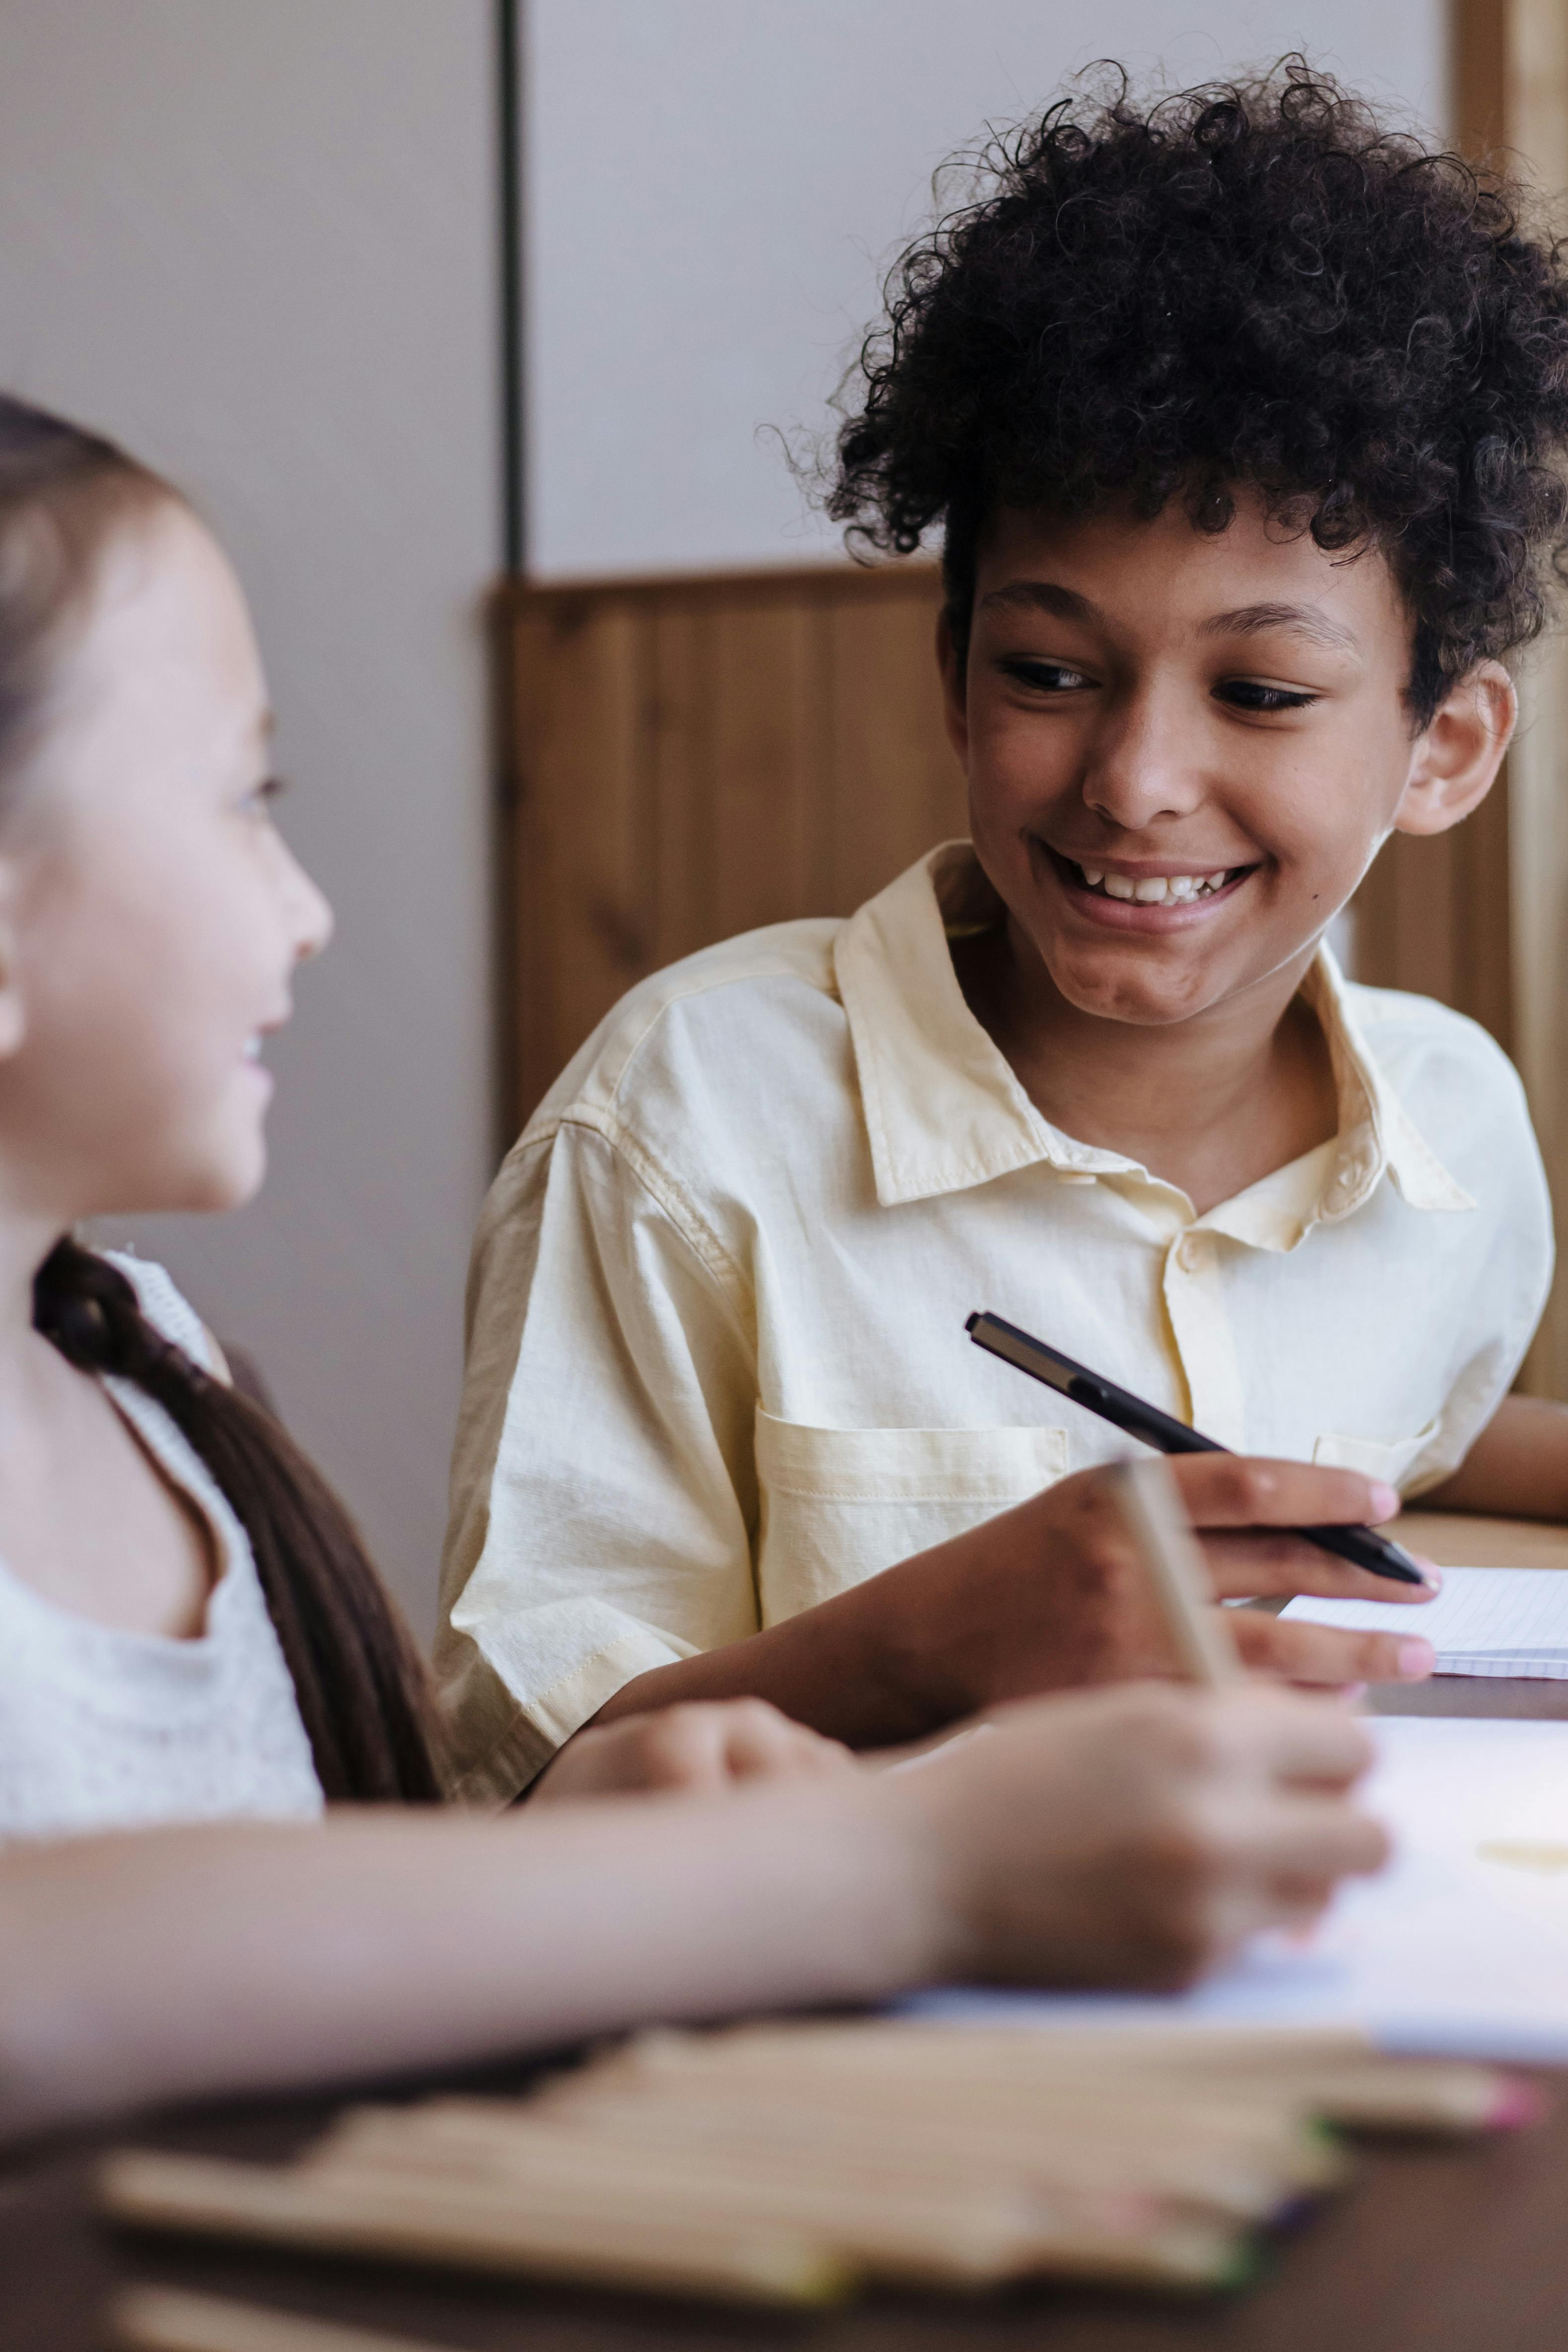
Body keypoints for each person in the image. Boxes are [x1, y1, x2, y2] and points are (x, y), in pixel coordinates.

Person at [0, 392, 1386, 2141]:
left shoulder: (147, 1372)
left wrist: (605, 1831)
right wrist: (898, 1866)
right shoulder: (687, 1101)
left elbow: (319, 1930)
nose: (307, 907)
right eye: (239, 802)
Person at [438, 63, 1568, 1805]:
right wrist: (937, 1639)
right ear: (953, 677)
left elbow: (1398, 1419)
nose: (1136, 780)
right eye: (1050, 672)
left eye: (1261, 691)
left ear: (1447, 748)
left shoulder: (1457, 1137)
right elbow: (526, 1776)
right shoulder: (689, 1118)